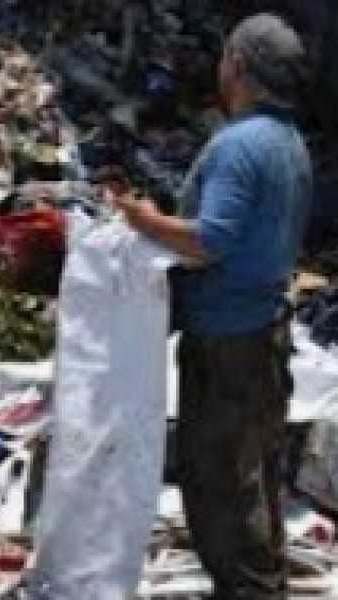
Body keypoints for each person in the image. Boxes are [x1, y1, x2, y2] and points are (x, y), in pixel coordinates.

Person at [114, 14, 311, 599]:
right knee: (257, 477)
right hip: (265, 331)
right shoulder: (289, 144)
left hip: (227, 341)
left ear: (239, 67)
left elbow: (208, 241)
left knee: (220, 484)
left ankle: (247, 590)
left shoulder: (239, 145)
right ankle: (263, 586)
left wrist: (145, 221)